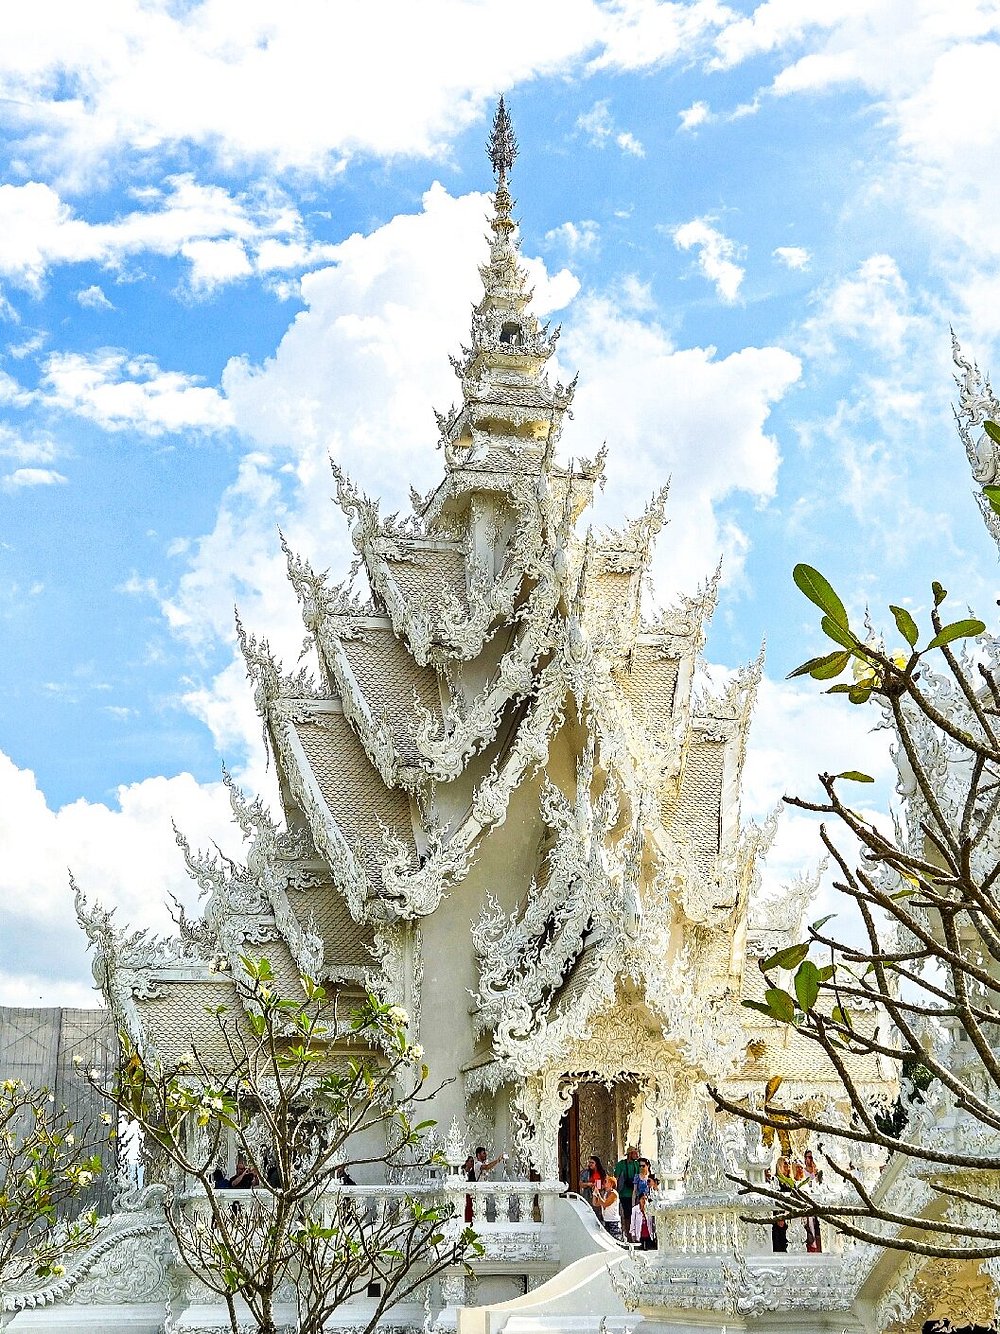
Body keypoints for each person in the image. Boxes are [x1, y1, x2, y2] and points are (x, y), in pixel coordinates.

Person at [614, 1145, 641, 1232]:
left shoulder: (637, 1164)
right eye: (634, 1153)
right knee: (627, 1214)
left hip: (635, 1192)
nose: (636, 1155)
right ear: (630, 1154)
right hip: (624, 1193)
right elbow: (616, 1178)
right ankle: (627, 1233)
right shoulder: (621, 1164)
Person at [803, 1149, 823, 1253]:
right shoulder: (803, 1171)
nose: (811, 1160)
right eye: (809, 1157)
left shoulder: (818, 1171)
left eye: (812, 1157)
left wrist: (815, 1172)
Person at [593, 1173, 622, 1240]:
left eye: (606, 1181)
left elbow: (605, 1204)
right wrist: (595, 1193)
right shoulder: (605, 1194)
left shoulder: (614, 1194)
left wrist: (598, 1195)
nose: (604, 1183)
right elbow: (595, 1204)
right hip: (606, 1220)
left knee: (615, 1240)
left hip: (613, 1221)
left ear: (611, 1184)